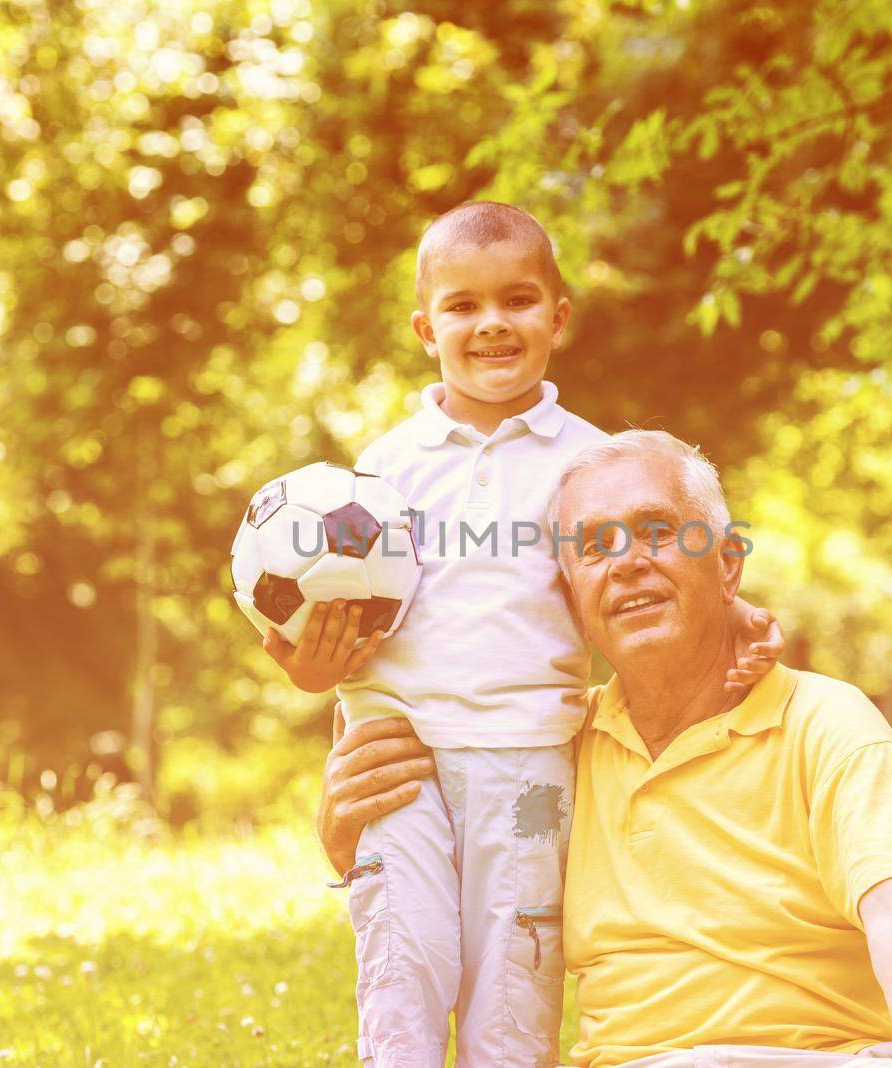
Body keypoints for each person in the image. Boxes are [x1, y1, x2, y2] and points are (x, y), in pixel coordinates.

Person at [318, 431, 892, 1068]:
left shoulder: (823, 722)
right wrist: (347, 838)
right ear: (571, 600)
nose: (627, 562)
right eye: (595, 548)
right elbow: (463, 885)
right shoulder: (554, 753)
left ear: (729, 565)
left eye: (657, 532)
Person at [260, 205, 782, 1067]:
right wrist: (314, 672)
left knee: (515, 979)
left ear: (558, 317)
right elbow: (333, 620)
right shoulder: (379, 472)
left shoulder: (591, 465)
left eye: (518, 300)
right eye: (463, 307)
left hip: (533, 760)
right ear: (427, 329)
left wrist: (737, 614)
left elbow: (659, 571)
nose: (492, 323)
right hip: (400, 759)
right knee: (405, 965)